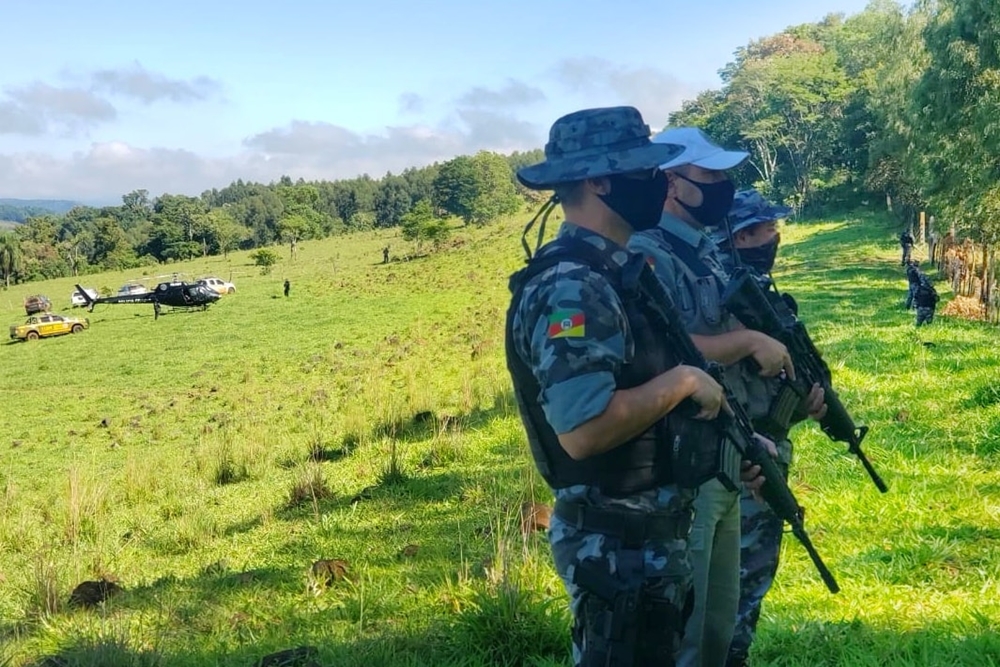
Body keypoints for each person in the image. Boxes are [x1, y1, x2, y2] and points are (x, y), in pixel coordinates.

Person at [506, 107, 761, 666]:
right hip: (615, 547)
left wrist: (735, 443)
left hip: (647, 538)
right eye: (643, 172)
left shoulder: (617, 271)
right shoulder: (572, 286)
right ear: (599, 180)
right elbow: (582, 431)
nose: (657, 183)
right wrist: (684, 380)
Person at [627, 128, 790, 667]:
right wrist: (744, 341)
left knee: (718, 632)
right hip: (684, 471)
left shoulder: (702, 250)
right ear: (672, 183)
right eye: (710, 176)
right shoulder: (649, 253)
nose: (724, 186)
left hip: (724, 456)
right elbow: (664, 346)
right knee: (688, 634)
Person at [711, 189, 828, 667]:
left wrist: (809, 397)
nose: (768, 239)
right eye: (752, 232)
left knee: (752, 582)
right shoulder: (720, 301)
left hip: (767, 449)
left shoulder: (765, 296)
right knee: (728, 592)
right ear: (729, 239)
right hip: (736, 457)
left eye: (770, 229)